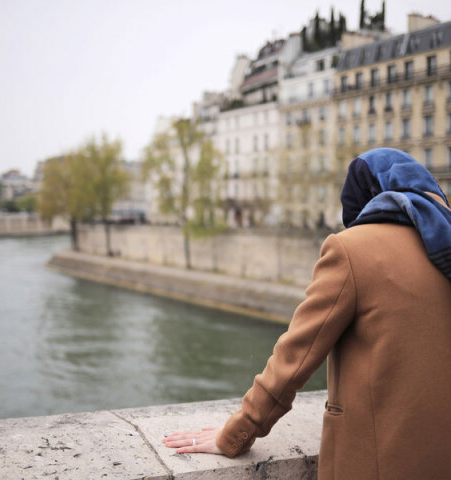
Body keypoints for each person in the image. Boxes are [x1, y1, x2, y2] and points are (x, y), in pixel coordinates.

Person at [162, 148, 451, 479]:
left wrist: (236, 433)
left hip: (375, 464)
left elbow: (293, 359)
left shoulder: (352, 248)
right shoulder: (443, 247)